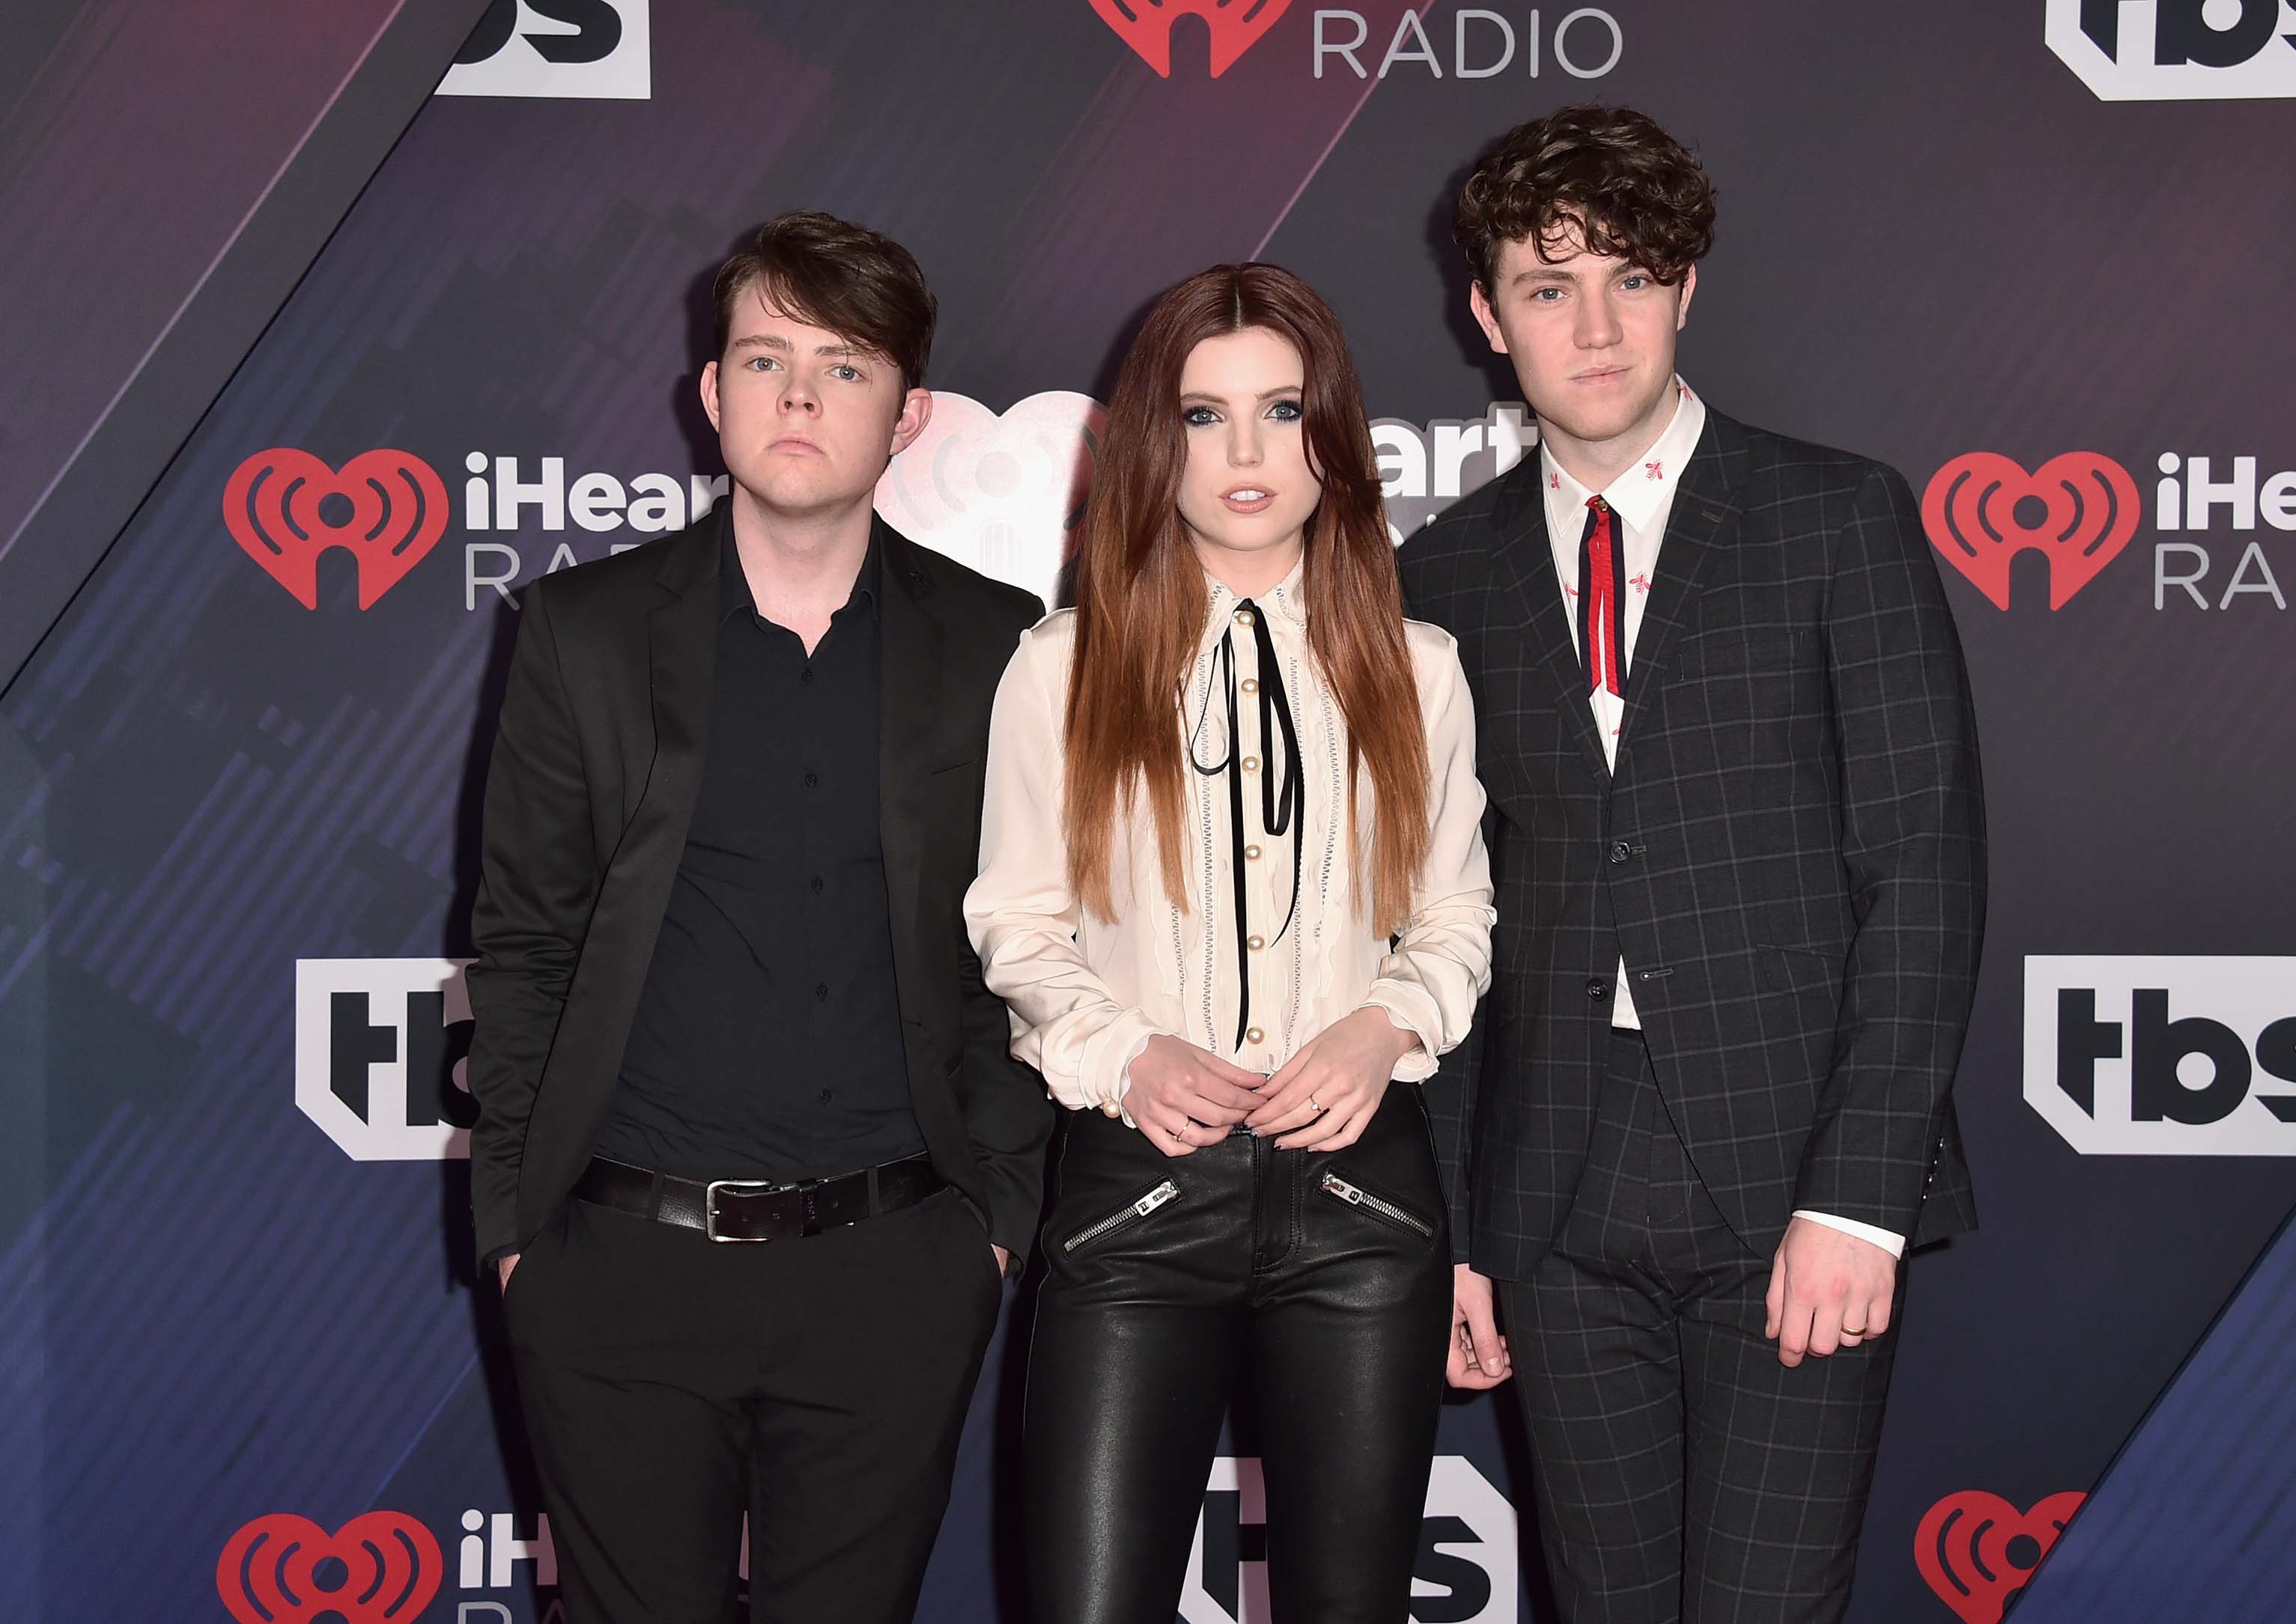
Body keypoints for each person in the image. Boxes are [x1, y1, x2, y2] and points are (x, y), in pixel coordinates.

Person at [1397, 107, 1987, 1622]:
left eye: (1630, 277)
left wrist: (1857, 1201)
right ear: (1486, 314)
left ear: (1686, 286)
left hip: (1790, 1183)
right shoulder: (1437, 577)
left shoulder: (1833, 519)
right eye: (1546, 286)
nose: (1593, 325)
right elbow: (1440, 917)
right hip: (1553, 1206)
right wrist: (1462, 1235)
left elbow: (1921, 869)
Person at [465, 210, 1050, 1624]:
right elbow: (525, 943)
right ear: (709, 392)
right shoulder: (580, 634)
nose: (798, 395)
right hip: (616, 1271)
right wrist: (517, 1233)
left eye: (845, 366)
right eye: (766, 357)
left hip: (895, 1270)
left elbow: (1033, 946)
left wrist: (990, 1226)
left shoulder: (1002, 643)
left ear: (908, 419)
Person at [965, 262, 1495, 1623]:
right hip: (1140, 1195)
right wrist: (1124, 1054)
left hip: (1361, 1210)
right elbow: (1017, 923)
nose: (1248, 453)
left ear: (1336, 435)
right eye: (1206, 417)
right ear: (1158, 442)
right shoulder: (1063, 668)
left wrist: (1387, 1026)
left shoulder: (1417, 665)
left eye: (1283, 410)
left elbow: (1452, 915)